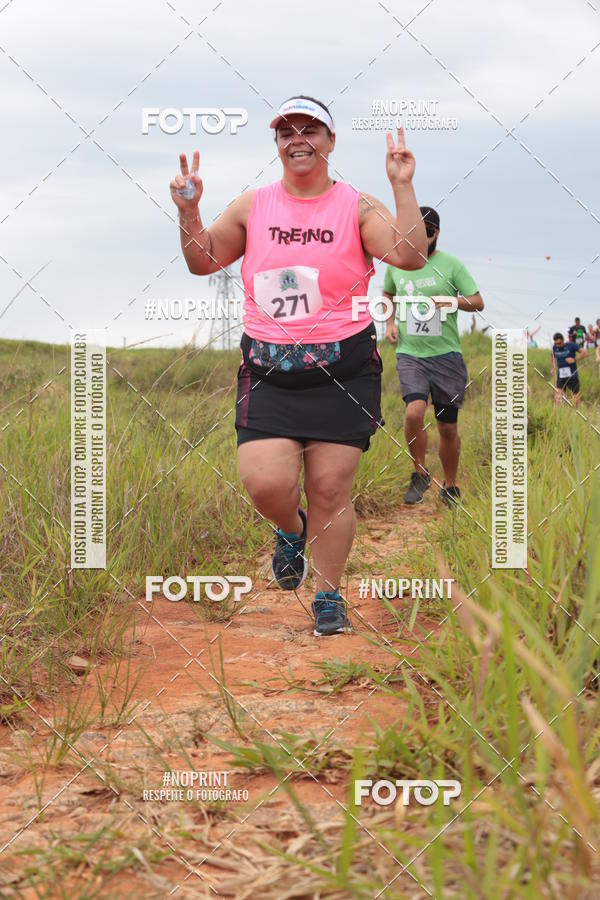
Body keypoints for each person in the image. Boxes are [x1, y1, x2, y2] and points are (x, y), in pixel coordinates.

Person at [170, 95, 426, 636]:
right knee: (265, 484)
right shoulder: (253, 206)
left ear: (330, 140)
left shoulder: (356, 206)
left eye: (310, 129)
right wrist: (189, 213)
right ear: (277, 143)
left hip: (343, 371)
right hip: (268, 370)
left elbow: (409, 255)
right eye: (286, 131)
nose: (298, 139)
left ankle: (328, 597)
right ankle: (291, 530)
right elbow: (203, 260)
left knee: (330, 487)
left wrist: (402, 186)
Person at [383, 206, 484, 508]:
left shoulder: (451, 265)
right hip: (410, 355)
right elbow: (388, 294)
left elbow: (477, 301)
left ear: (435, 233)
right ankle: (420, 473)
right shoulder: (397, 264)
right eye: (411, 232)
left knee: (447, 428)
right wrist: (389, 323)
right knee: (413, 413)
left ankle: (450, 486)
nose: (418, 238)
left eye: (424, 232)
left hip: (446, 357)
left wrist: (451, 301)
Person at [551, 332, 586, 407]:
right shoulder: (554, 347)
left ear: (563, 340)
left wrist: (574, 359)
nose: (558, 345)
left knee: (576, 397)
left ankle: (579, 410)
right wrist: (553, 367)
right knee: (558, 395)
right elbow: (552, 355)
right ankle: (557, 412)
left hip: (572, 376)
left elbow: (584, 353)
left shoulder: (571, 345)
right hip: (561, 376)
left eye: (559, 343)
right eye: (556, 343)